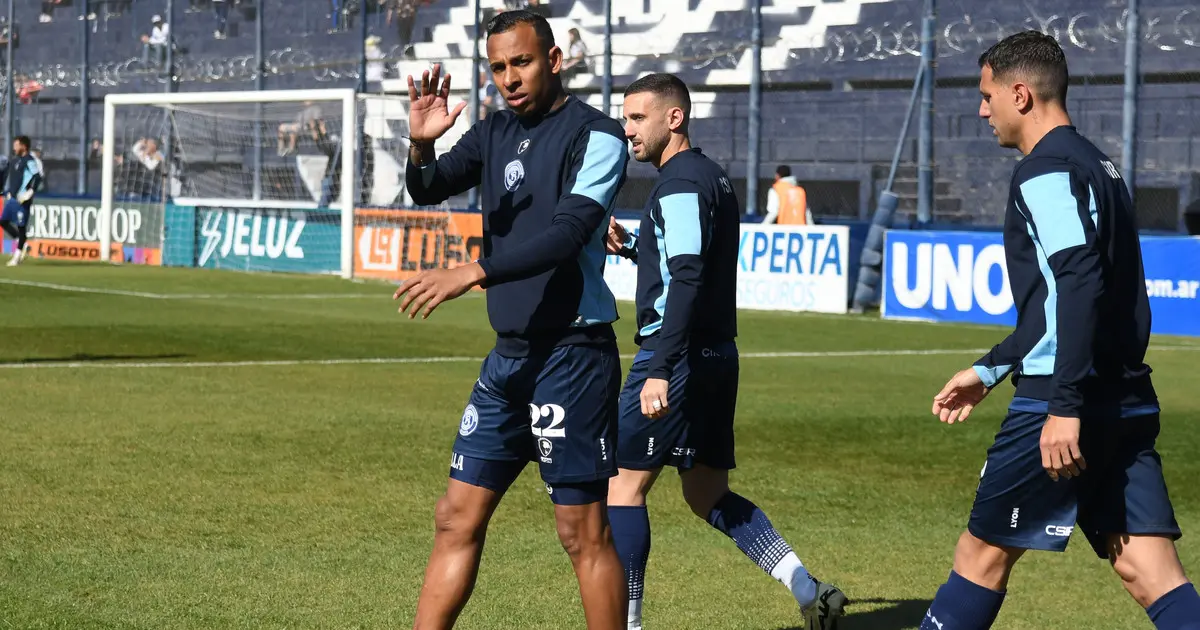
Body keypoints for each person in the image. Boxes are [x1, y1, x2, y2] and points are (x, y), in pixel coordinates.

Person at [921, 31, 1200, 630]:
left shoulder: (1043, 171)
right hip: (1123, 397)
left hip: (1065, 396)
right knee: (1149, 572)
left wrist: (1064, 403)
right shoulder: (1099, 165)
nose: (981, 109)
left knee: (981, 556)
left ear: (1019, 94)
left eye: (987, 93)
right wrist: (990, 369)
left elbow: (1076, 284)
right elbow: (1065, 298)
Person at [393, 10, 629, 630]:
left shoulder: (598, 134)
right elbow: (427, 187)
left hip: (572, 356)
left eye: (521, 62)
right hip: (509, 360)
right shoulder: (494, 132)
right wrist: (422, 142)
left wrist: (474, 270)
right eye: (498, 67)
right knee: (455, 516)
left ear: (553, 60)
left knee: (581, 531)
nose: (509, 78)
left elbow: (568, 232)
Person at [604, 73, 848, 630]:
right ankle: (808, 589)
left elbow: (687, 276)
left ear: (675, 118)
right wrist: (637, 248)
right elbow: (692, 261)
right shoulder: (712, 176)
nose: (628, 130)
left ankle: (627, 622)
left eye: (638, 118)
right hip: (717, 357)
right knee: (706, 492)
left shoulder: (681, 183)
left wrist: (660, 367)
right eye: (625, 118)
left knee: (622, 484)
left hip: (677, 356)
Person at [0, 136, 41, 266]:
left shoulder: (29, 161)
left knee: (21, 227)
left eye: (16, 145)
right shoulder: (15, 160)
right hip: (12, 199)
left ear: (23, 146)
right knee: (3, 222)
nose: (14, 147)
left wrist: (31, 191)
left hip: (22, 200)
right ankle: (22, 243)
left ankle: (17, 257)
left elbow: (37, 176)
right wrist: (7, 192)